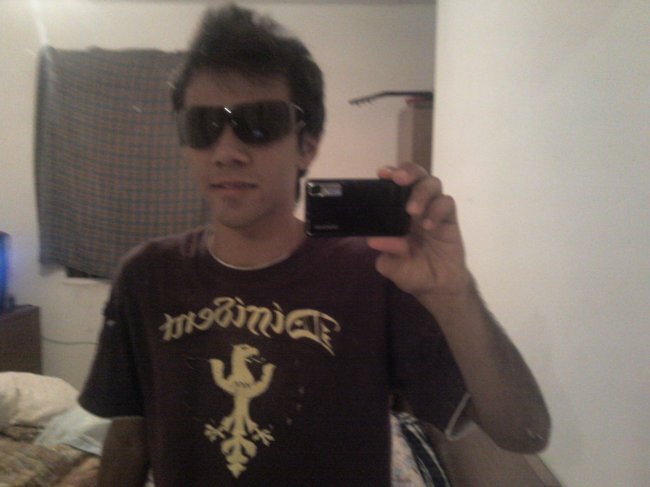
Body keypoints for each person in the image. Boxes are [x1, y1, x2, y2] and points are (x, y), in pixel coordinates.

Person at [79, 5, 551, 486]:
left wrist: (455, 293)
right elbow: (129, 437)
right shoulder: (146, 276)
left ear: (307, 145)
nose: (226, 151)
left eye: (259, 123)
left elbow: (525, 432)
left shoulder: (375, 275)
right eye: (202, 127)